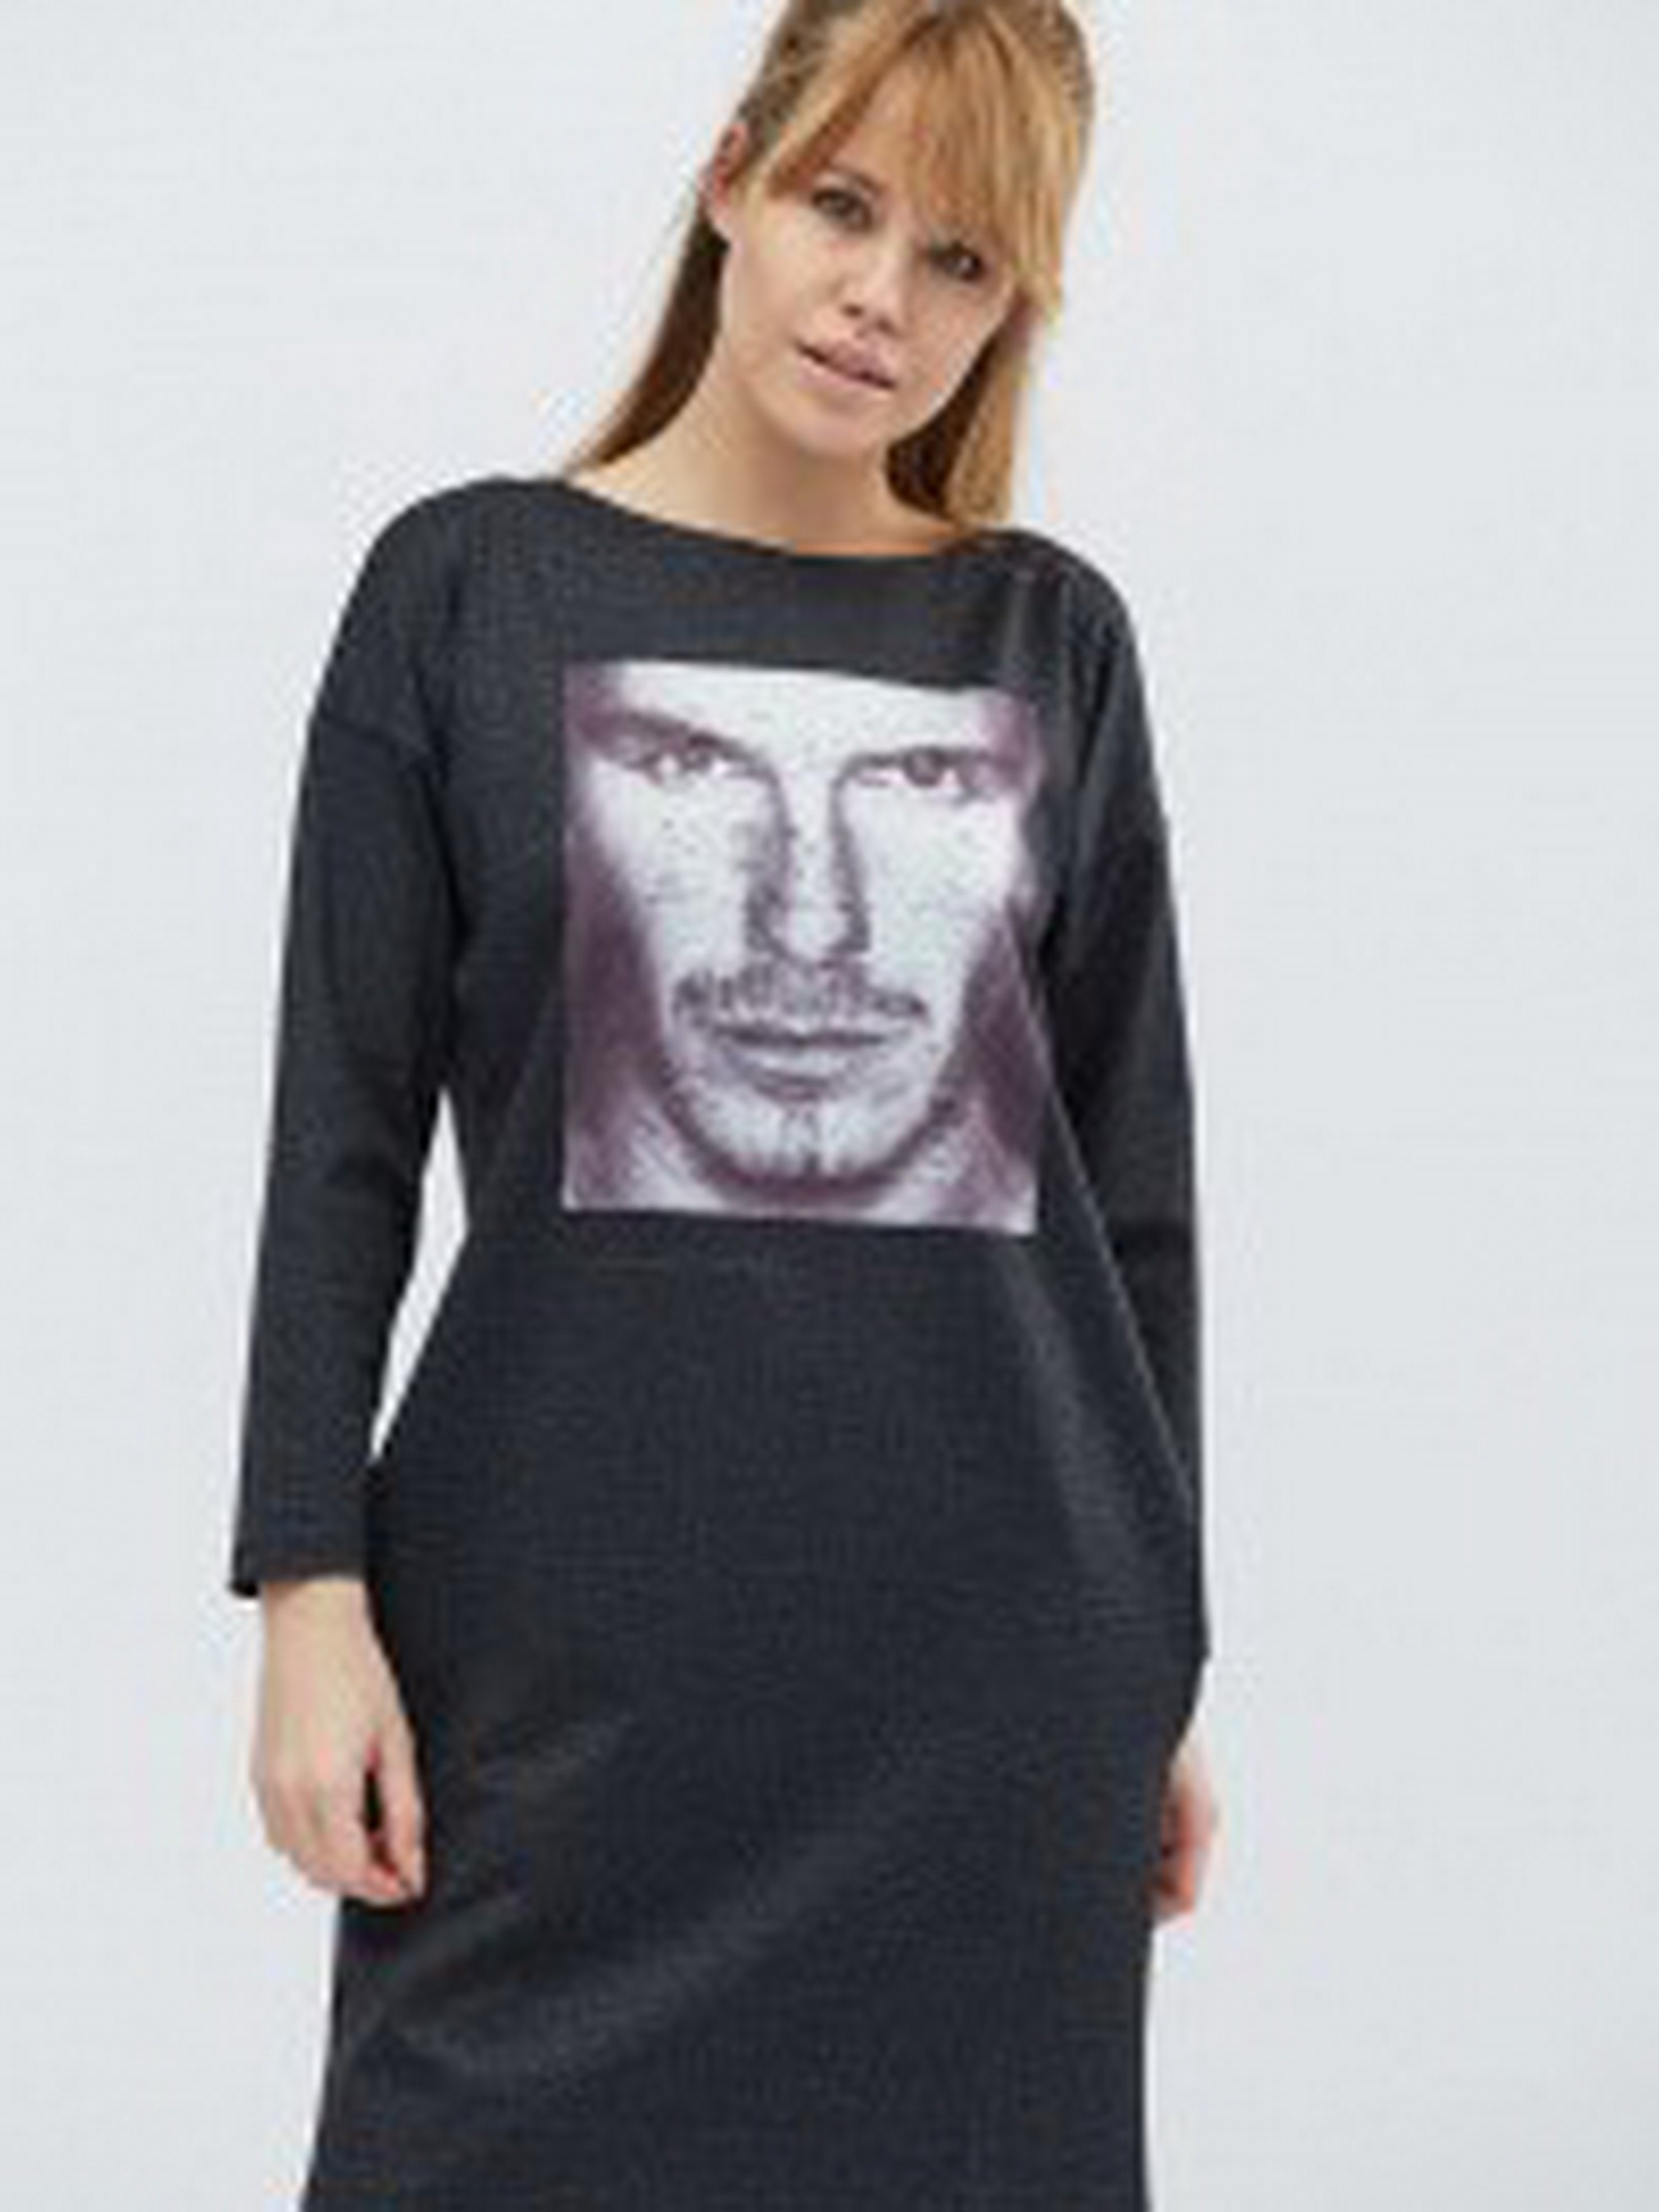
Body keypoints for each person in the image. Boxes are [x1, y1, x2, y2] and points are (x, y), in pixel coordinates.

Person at [230, 2, 1221, 2204]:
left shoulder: (1048, 642)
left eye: (962, 259)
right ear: (730, 180)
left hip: (991, 1677)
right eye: (841, 206)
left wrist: (1160, 1654)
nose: (883, 298)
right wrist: (307, 1587)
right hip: (548, 1665)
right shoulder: (466, 590)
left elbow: (1130, 1194)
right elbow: (339, 1138)